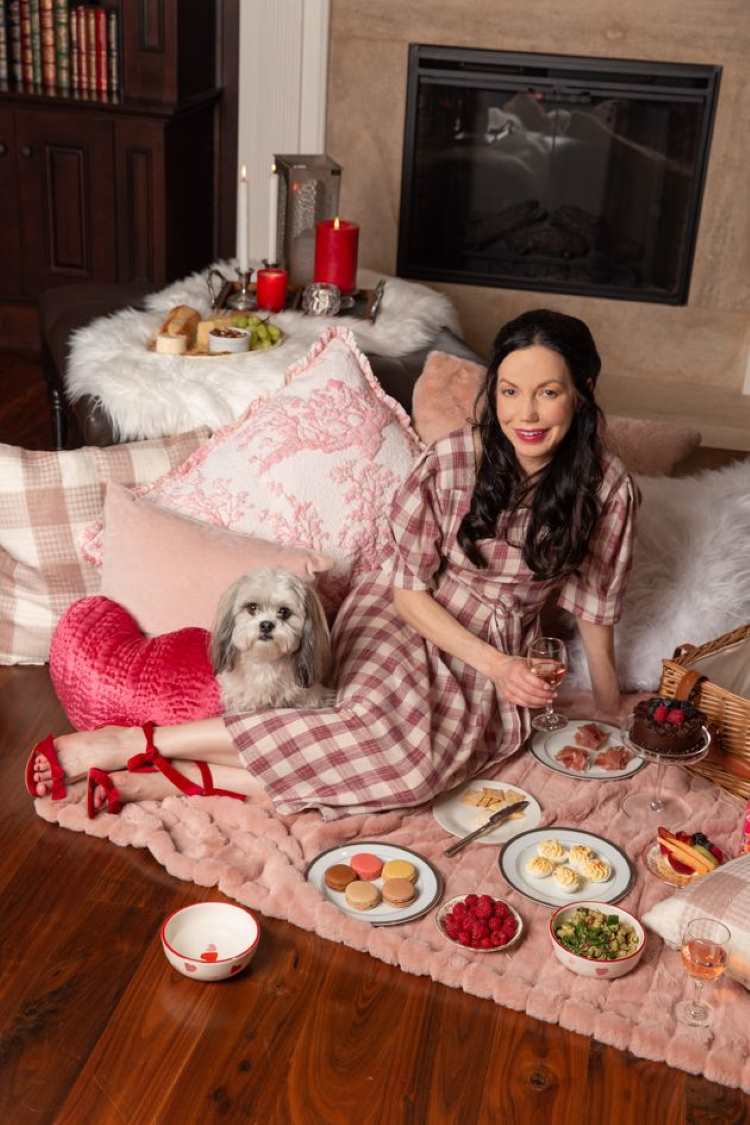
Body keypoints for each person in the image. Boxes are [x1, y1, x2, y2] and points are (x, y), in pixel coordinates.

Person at [27, 308, 638, 821]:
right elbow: (406, 591)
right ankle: (127, 744)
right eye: (510, 391)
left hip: (495, 648)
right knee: (364, 727)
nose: (525, 414)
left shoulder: (608, 489)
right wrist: (497, 666)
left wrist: (609, 708)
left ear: (580, 392)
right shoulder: (457, 460)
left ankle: (160, 780)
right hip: (410, 613)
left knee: (411, 776)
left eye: (547, 392)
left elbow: (595, 601)